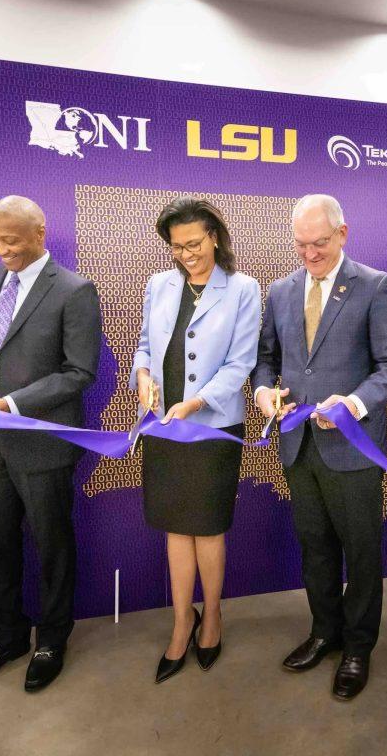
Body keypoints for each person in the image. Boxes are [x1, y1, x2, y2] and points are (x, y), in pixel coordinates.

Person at [252, 194, 387, 700]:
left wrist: (355, 405)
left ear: (343, 234)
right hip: (298, 445)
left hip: (354, 448)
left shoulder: (374, 286)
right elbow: (266, 358)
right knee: (315, 547)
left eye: (320, 243)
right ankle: (325, 631)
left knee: (361, 552)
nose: (310, 254)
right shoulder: (280, 289)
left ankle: (358, 647)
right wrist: (263, 391)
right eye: (300, 245)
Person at [0, 196, 101, 694]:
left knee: (52, 544)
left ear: (40, 232)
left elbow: (79, 372)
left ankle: (52, 639)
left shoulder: (75, 290)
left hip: (40, 442)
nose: (0, 250)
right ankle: (8, 636)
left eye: (9, 240)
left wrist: (11, 403)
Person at [130, 196, 260, 683]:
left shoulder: (243, 289)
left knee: (206, 526)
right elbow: (145, 344)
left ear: (215, 237)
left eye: (194, 244)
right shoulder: (158, 285)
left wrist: (198, 401)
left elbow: (241, 363)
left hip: (212, 426)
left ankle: (213, 615)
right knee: (175, 526)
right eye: (176, 247)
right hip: (164, 425)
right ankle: (182, 620)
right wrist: (142, 375)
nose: (186, 255)